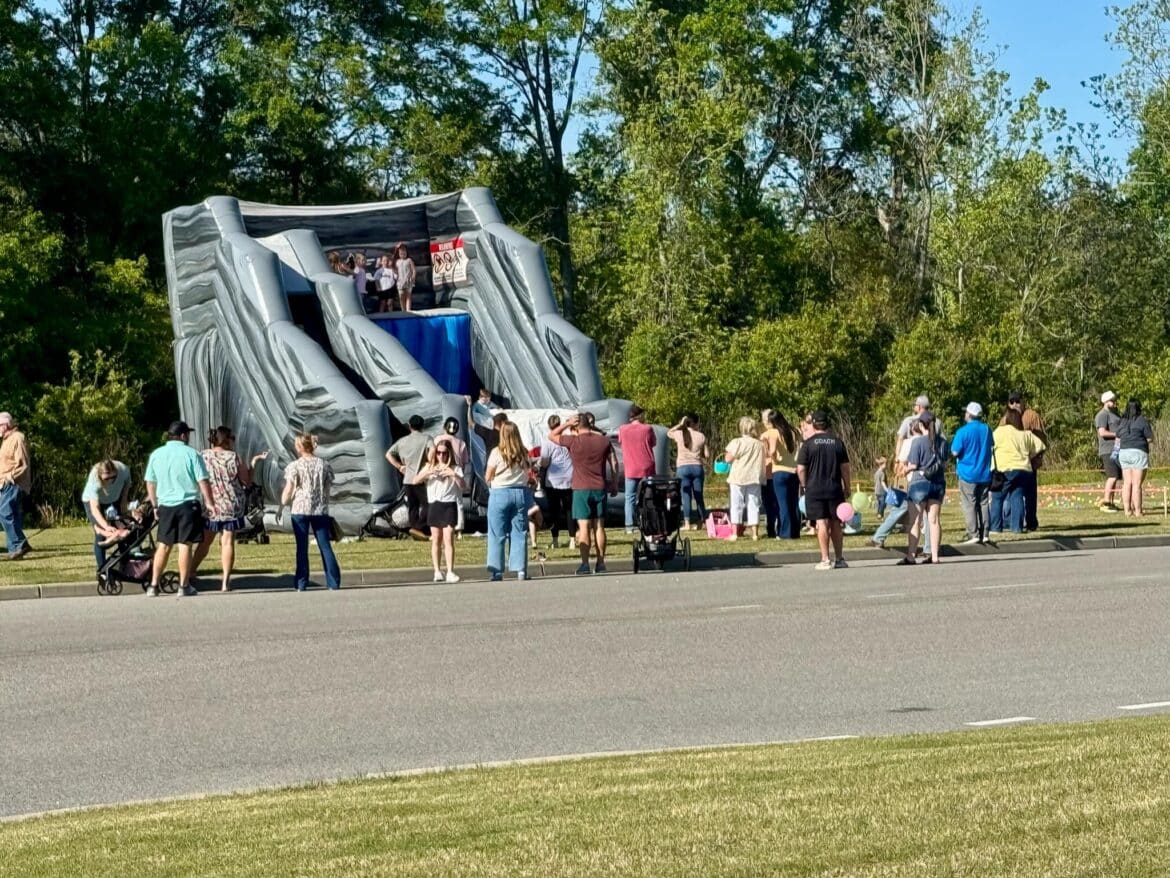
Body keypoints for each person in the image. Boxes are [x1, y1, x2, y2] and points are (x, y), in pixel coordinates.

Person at [193, 426, 268, 592]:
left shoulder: (203, 455)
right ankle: (225, 581)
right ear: (227, 440)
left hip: (211, 504)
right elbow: (246, 481)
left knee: (205, 542)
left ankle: (191, 572)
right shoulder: (234, 457)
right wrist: (253, 464)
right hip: (231, 504)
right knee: (227, 542)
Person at [145, 420, 215, 596]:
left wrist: (154, 504)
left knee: (163, 545)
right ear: (183, 436)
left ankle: (153, 585)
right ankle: (183, 586)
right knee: (185, 545)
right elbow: (202, 480)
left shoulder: (156, 454)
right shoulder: (192, 454)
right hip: (187, 503)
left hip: (165, 504)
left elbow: (150, 482)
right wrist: (209, 502)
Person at [549, 411, 618, 575]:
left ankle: (585, 564)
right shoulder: (604, 441)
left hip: (581, 489)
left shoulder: (574, 441)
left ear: (576, 426)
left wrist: (566, 424)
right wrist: (614, 483)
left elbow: (551, 436)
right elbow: (614, 462)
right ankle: (601, 563)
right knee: (599, 527)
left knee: (584, 527)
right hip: (599, 487)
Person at [280, 432, 341, 591]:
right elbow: (327, 489)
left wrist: (283, 501)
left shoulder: (295, 466)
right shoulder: (324, 465)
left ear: (300, 447)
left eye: (296, 444)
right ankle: (333, 582)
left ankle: (301, 583)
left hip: (300, 509)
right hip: (320, 509)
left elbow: (289, 488)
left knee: (302, 547)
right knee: (325, 546)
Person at [796, 410, 851, 570]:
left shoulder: (808, 444)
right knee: (836, 523)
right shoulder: (838, 443)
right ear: (828, 424)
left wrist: (805, 485)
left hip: (814, 489)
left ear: (813, 425)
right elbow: (845, 468)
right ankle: (839, 559)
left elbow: (801, 469)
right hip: (834, 488)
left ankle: (825, 559)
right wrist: (847, 487)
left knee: (821, 523)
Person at [485, 421, 531, 581]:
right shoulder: (523, 452)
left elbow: (488, 475)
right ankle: (521, 570)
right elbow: (528, 472)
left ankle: (497, 571)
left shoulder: (497, 452)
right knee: (519, 532)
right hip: (519, 492)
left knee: (496, 532)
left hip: (500, 492)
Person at [416, 439, 465, 582]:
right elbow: (415, 480)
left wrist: (452, 474)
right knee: (436, 539)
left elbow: (463, 486)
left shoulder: (455, 468)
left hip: (449, 504)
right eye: (438, 453)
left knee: (448, 538)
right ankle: (437, 571)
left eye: (444, 453)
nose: (441, 456)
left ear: (449, 454)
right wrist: (428, 472)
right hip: (434, 504)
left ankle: (450, 571)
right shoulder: (430, 466)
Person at [990, 409, 1045, 535]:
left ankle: (995, 527)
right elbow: (1041, 446)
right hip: (1024, 469)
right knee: (1017, 496)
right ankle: (1017, 528)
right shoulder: (1025, 434)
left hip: (1005, 469)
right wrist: (1030, 456)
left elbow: (990, 446)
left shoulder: (999, 432)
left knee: (997, 497)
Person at [904, 412, 947, 565]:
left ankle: (911, 556)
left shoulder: (918, 442)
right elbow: (944, 464)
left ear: (921, 425)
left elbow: (914, 464)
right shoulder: (943, 442)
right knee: (934, 520)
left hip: (919, 484)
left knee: (915, 521)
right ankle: (935, 556)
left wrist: (905, 470)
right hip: (938, 483)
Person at [1002, 390, 1046, 531]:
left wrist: (1036, 457)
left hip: (1029, 463)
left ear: (1023, 401)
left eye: (1017, 401)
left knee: (1030, 494)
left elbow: (1041, 440)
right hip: (1010, 463)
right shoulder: (1005, 418)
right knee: (1011, 495)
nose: (1015, 404)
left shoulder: (1031, 416)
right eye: (1012, 402)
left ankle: (1031, 521)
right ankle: (1009, 521)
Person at [951, 402, 993, 545]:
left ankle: (973, 533)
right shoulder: (987, 429)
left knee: (969, 504)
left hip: (967, 473)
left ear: (969, 414)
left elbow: (955, 451)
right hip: (984, 472)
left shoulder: (962, 431)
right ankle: (985, 533)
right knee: (984, 503)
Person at [387, 415, 433, 540]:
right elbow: (432, 451)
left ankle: (415, 530)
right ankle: (418, 528)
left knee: (413, 507)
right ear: (423, 426)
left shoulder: (402, 441)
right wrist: (430, 462)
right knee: (428, 504)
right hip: (421, 478)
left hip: (407, 478)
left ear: (409, 425)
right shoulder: (427, 438)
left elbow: (388, 454)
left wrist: (399, 466)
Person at [82, 458, 132, 570]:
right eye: (106, 478)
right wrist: (106, 526)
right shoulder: (94, 478)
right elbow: (95, 508)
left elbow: (127, 484)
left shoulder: (123, 470)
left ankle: (125, 566)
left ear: (116, 472)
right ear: (100, 476)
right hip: (93, 502)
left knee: (123, 529)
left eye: (113, 477)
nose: (110, 481)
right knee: (100, 535)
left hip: (114, 499)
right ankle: (103, 570)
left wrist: (124, 501)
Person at [724, 417, 766, 541]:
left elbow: (728, 459)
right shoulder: (759, 444)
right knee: (754, 504)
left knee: (736, 504)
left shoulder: (737, 442)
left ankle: (735, 533)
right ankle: (755, 533)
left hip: (738, 476)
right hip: (754, 476)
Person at [762, 410, 800, 540]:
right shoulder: (795, 431)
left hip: (780, 470)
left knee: (783, 503)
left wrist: (773, 458)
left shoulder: (774, 432)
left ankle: (785, 533)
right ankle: (795, 531)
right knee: (793, 502)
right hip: (794, 470)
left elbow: (772, 451)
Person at [617, 405, 656, 534]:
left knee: (629, 498)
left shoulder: (623, 429)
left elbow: (620, 442)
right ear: (640, 415)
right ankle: (650, 522)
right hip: (647, 467)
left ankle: (629, 525)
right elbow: (653, 443)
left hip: (631, 467)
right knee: (649, 497)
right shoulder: (648, 428)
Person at [667, 413, 709, 530]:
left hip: (683, 468)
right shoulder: (701, 436)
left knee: (686, 496)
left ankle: (687, 523)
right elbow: (707, 455)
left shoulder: (679, 434)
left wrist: (680, 425)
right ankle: (702, 521)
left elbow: (668, 433)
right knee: (699, 496)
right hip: (697, 467)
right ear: (696, 423)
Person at [539, 414, 575, 547]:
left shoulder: (547, 441)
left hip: (553, 480)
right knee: (569, 510)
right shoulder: (568, 439)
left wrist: (539, 466)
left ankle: (555, 540)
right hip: (569, 477)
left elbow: (544, 461)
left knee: (554, 511)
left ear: (549, 426)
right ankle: (572, 539)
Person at [0, 412, 31, 561]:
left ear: (6, 425)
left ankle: (20, 544)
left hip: (14, 483)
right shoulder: (6, 440)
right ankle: (15, 550)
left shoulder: (18, 438)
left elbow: (23, 464)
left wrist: (9, 478)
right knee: (12, 514)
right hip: (5, 484)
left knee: (4, 512)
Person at [1116, 399, 1154, 517]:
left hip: (1124, 452)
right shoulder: (1142, 421)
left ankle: (1127, 511)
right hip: (1138, 452)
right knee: (1136, 484)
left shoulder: (1122, 421)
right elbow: (1150, 438)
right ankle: (1138, 511)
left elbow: (1118, 438)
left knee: (1127, 483)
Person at [441, 417, 471, 537]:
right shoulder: (461, 443)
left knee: (441, 499)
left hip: (441, 470)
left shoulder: (438, 439)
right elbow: (465, 461)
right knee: (458, 502)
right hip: (456, 470)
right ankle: (459, 529)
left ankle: (443, 526)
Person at [1095, 391, 1122, 513]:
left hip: (1117, 449)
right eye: (1112, 400)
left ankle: (1111, 502)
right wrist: (1117, 434)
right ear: (1106, 402)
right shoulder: (1102, 415)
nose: (1114, 402)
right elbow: (1102, 432)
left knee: (1116, 477)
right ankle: (1105, 503)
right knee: (1112, 476)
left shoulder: (1115, 414)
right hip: (1107, 450)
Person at [394, 242, 416, 312]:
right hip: (400, 281)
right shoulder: (397, 261)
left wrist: (413, 278)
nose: (402, 254)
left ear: (406, 252)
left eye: (404, 253)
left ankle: (408, 310)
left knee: (408, 296)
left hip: (408, 281)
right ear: (399, 254)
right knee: (401, 296)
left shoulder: (409, 260)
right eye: (401, 253)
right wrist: (397, 247)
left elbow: (414, 270)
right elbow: (396, 271)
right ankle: (403, 311)